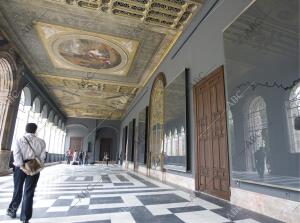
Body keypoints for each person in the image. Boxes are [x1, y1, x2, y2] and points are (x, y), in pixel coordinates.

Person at [7, 123, 46, 223]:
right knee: (29, 192)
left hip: (20, 168)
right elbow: (42, 158)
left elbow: (16, 155)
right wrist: (34, 168)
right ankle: (25, 218)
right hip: (34, 167)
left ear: (25, 129)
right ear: (35, 130)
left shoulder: (19, 140)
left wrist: (22, 167)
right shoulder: (41, 142)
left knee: (17, 189)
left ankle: (13, 211)